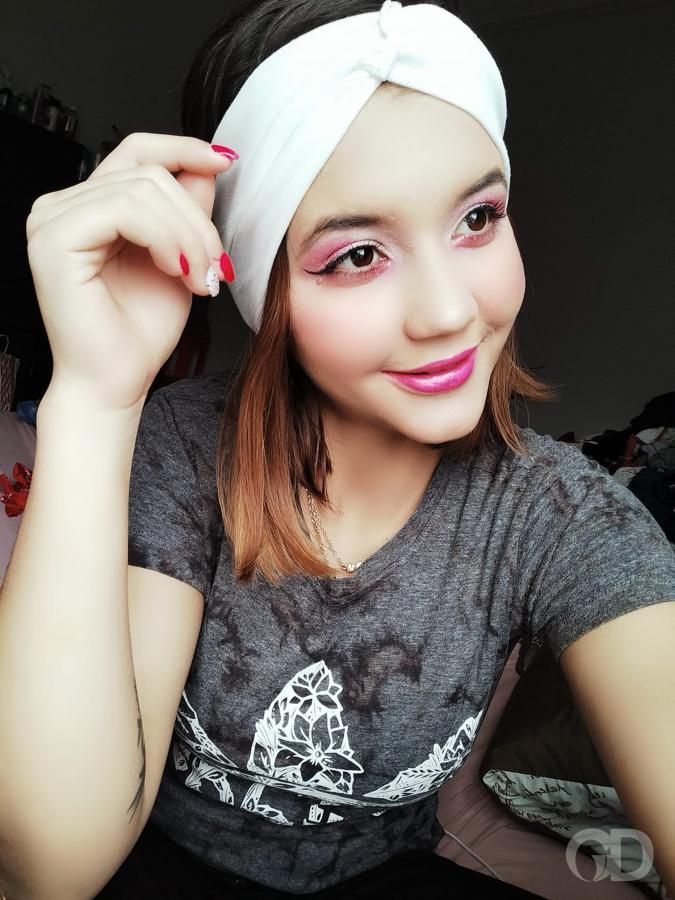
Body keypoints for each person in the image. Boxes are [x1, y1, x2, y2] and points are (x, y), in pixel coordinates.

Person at [1, 0, 674, 898]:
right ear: (263, 285)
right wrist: (95, 393)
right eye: (356, 255)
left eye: (477, 217)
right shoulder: (184, 446)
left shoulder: (561, 518)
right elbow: (50, 871)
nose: (448, 311)